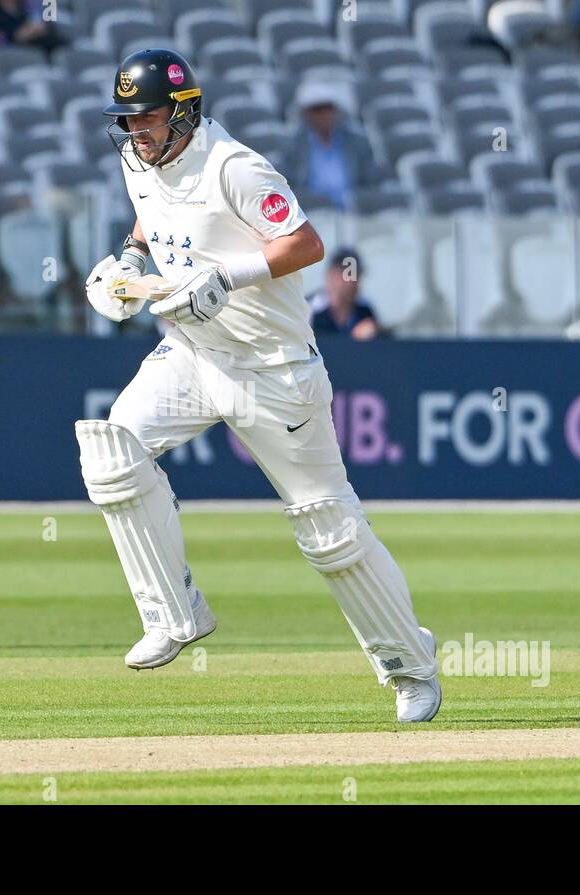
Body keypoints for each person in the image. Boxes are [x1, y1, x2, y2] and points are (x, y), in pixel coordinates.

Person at [77, 50, 441, 723]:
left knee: (327, 528)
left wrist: (226, 277)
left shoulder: (234, 166)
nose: (137, 133)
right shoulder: (138, 160)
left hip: (273, 369)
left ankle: (410, 665)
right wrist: (130, 260)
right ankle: (174, 612)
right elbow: (147, 215)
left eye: (148, 118)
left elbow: (305, 243)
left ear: (184, 111)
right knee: (112, 447)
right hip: (192, 352)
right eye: (128, 120)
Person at [283, 82, 381, 211]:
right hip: (312, 213)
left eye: (328, 108)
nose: (324, 114)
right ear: (306, 114)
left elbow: (371, 179)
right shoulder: (295, 145)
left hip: (355, 211)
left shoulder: (357, 142)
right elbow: (290, 183)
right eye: (317, 109)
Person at [308, 247, 383, 340]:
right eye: (348, 274)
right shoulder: (310, 309)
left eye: (357, 275)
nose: (352, 282)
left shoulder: (365, 310)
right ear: (331, 275)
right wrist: (352, 338)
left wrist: (376, 333)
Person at [0, 0, 68, 57]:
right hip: (9, 57)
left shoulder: (28, 7)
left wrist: (41, 29)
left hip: (38, 51)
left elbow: (49, 23)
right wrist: (15, 36)